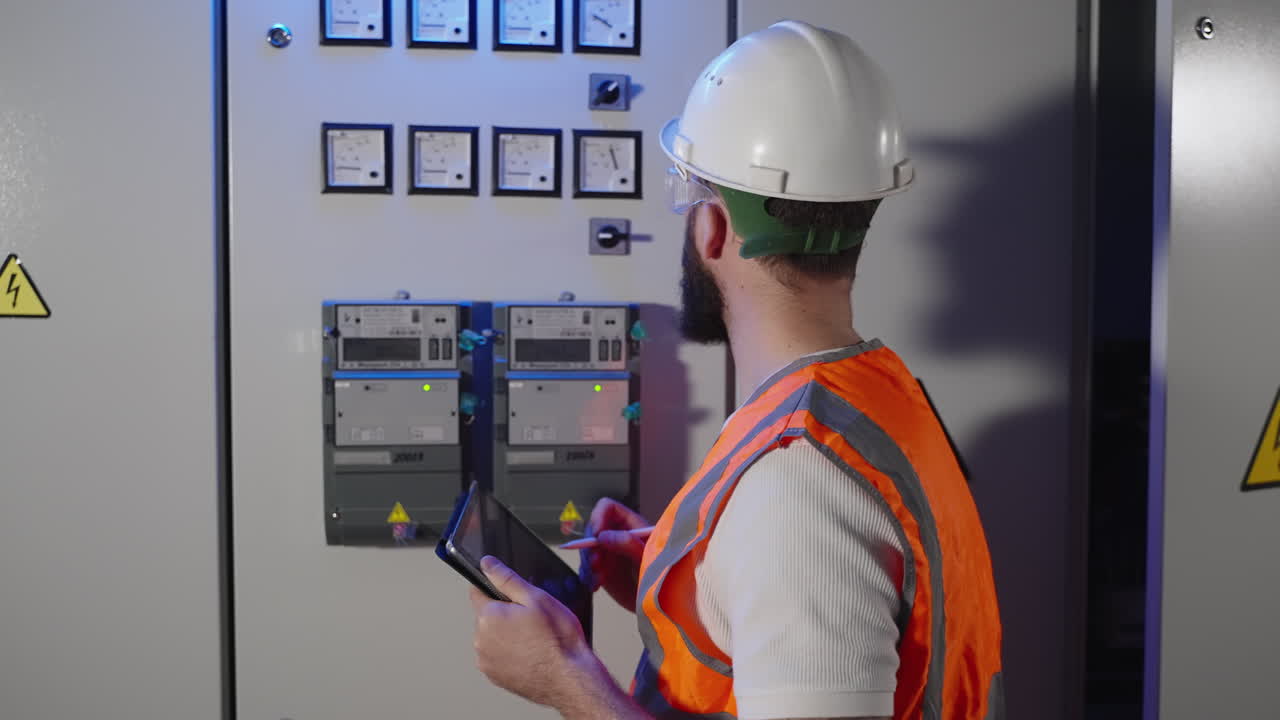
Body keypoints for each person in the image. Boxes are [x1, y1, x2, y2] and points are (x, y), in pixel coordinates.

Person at [468, 20, 1004, 720]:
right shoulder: (881, 399)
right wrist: (693, 576)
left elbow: (804, 541)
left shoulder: (795, 487)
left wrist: (564, 679)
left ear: (714, 227)